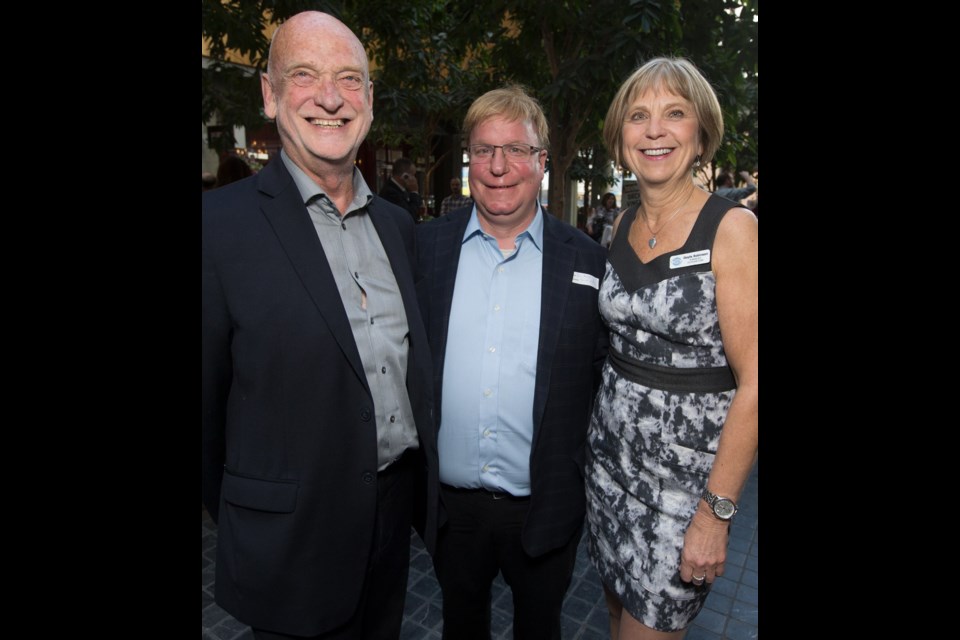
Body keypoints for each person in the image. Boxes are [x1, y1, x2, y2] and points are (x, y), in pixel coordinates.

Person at [202, 11, 438, 640]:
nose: (330, 98)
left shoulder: (397, 226)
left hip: (391, 525)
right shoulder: (217, 227)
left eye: (349, 79)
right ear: (270, 92)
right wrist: (257, 507)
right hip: (289, 542)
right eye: (304, 75)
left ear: (369, 99)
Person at [416, 85, 608, 640]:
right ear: (468, 159)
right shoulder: (424, 250)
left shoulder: (589, 261)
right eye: (483, 150)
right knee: (461, 627)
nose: (499, 167)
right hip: (452, 511)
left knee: (540, 629)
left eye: (517, 150)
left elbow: (602, 381)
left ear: (542, 163)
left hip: (545, 506)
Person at [584, 57, 758, 639]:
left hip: (683, 496)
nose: (655, 130)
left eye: (674, 114)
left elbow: (756, 381)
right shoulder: (622, 222)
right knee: (614, 614)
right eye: (639, 116)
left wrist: (716, 514)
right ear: (620, 138)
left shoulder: (730, 229)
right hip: (608, 468)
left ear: (701, 134)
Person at [379, 157, 423, 223]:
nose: (415, 179)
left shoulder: (403, 189)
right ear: (405, 176)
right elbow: (409, 216)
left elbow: (418, 207)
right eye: (413, 175)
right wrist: (414, 191)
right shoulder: (390, 192)